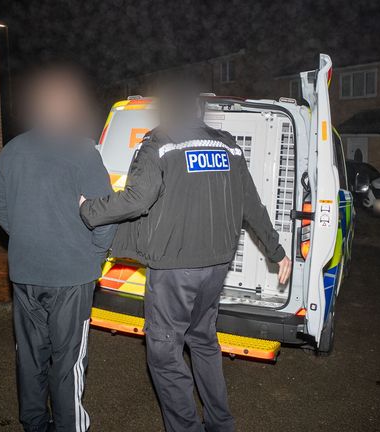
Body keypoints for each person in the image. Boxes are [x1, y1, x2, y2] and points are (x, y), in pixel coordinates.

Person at [79, 82, 291, 432]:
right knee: (204, 341)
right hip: (216, 266)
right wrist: (277, 251)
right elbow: (251, 205)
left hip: (175, 269)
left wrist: (90, 210)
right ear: (198, 111)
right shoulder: (228, 145)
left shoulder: (160, 144)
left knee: (164, 352)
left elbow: (136, 200)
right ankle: (221, 423)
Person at [0, 65, 116, 432]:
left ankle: (34, 424)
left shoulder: (12, 151)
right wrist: (95, 255)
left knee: (29, 357)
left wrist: (28, 233)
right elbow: (105, 213)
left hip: (25, 273)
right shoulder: (83, 152)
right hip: (71, 276)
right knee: (68, 360)